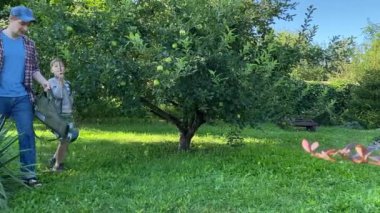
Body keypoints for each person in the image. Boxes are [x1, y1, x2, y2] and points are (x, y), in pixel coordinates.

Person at [0, 6, 50, 187]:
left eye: (28, 24)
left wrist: (44, 82)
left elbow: (34, 69)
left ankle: (29, 176)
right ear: (11, 19)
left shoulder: (29, 44)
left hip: (22, 97)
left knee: (27, 134)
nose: (25, 28)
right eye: (22, 23)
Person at [48, 58, 79, 172]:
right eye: (56, 66)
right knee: (64, 138)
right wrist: (60, 83)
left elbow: (70, 99)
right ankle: (57, 166)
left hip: (68, 115)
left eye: (61, 66)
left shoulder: (68, 83)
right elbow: (57, 96)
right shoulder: (50, 82)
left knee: (68, 138)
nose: (59, 68)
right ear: (52, 70)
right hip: (57, 116)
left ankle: (54, 159)